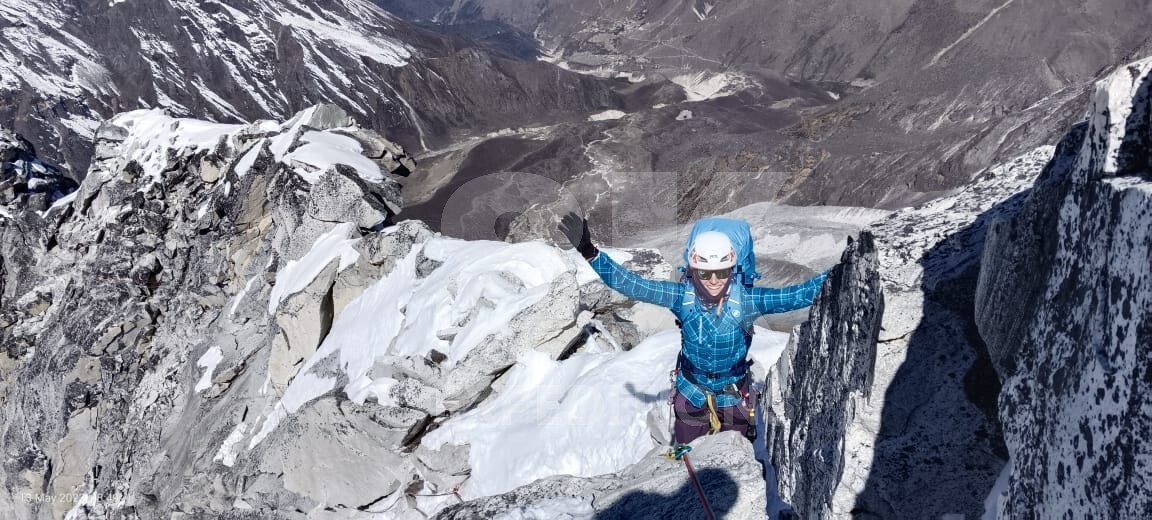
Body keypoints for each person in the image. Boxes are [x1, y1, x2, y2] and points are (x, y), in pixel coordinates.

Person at [559, 212, 828, 444]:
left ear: (732, 270)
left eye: (721, 272)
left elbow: (798, 295)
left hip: (727, 393)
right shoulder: (683, 296)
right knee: (693, 451)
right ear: (694, 271)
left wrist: (844, 267)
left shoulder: (746, 301)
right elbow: (631, 285)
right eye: (704, 273)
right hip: (696, 392)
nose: (713, 280)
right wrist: (589, 252)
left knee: (734, 458)